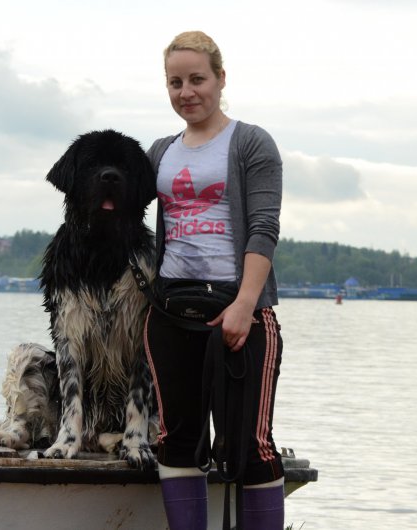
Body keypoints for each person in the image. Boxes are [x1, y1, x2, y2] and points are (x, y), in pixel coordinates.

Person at [144, 30, 285, 529]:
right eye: (175, 82)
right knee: (177, 441)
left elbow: (264, 227)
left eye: (197, 79)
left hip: (237, 310)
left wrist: (246, 304)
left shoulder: (250, 142)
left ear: (221, 79)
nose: (187, 92)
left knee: (249, 445)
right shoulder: (161, 150)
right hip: (169, 312)